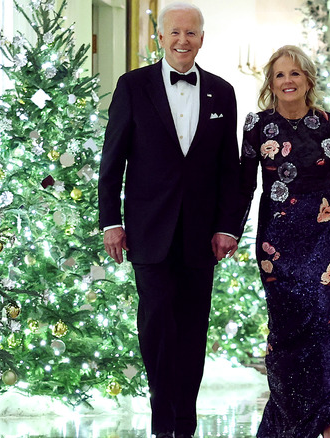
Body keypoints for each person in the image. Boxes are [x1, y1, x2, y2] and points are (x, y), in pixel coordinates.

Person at [98, 3, 245, 437]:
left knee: (193, 329)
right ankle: (165, 422)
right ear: (160, 37)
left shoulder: (223, 91)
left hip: (202, 236)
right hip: (148, 231)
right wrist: (111, 222)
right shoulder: (133, 86)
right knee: (158, 326)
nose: (184, 40)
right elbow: (113, 162)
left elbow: (229, 171)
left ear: (202, 38)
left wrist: (227, 227)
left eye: (192, 33)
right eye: (175, 32)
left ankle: (185, 423)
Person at [238, 45, 330, 438]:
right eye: (280, 75)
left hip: (325, 236)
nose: (288, 81)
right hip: (276, 242)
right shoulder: (257, 126)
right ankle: (290, 422)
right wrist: (228, 231)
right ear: (271, 83)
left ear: (308, 79)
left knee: (328, 329)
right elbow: (244, 186)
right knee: (287, 334)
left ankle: (327, 422)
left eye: (295, 73)